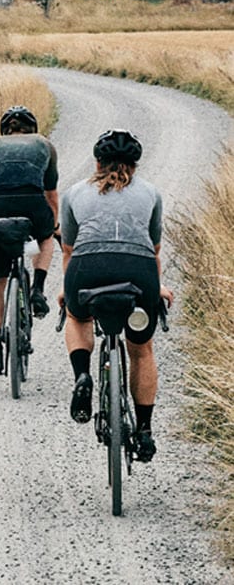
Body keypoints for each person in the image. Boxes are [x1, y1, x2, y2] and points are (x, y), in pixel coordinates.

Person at [59, 129, 173, 462]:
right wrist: (156, 287)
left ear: (97, 162)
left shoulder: (73, 193)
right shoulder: (151, 193)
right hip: (138, 272)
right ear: (136, 165)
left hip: (86, 268)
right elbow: (152, 251)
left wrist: (68, 290)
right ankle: (145, 431)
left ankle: (82, 375)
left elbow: (69, 250)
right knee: (141, 348)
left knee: (77, 316)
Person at [0, 105, 59, 377]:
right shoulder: (44, 145)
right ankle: (37, 288)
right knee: (44, 237)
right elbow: (52, 195)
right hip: (33, 206)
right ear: (32, 129)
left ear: (5, 131)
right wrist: (54, 226)